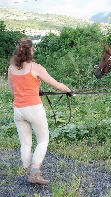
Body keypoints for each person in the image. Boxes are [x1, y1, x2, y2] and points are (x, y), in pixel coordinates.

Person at [8, 38, 73, 185]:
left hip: (18, 110)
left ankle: (29, 171)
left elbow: (13, 91)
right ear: (30, 50)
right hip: (33, 108)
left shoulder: (11, 69)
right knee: (43, 140)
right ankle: (35, 172)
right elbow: (56, 85)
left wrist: (34, 90)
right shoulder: (35, 67)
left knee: (25, 143)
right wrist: (69, 90)